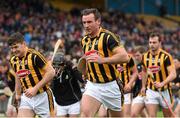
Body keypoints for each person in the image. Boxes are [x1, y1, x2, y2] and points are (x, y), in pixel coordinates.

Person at [79, 8, 129, 117]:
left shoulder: (108, 37)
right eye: (84, 22)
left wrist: (103, 60)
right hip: (93, 85)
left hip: (111, 86)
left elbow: (125, 57)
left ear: (98, 21)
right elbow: (89, 59)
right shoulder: (84, 40)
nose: (86, 25)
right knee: (85, 114)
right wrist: (86, 72)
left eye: (89, 22)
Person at [8, 32, 55, 117]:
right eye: (12, 48)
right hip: (26, 98)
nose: (14, 50)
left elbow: (51, 72)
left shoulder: (34, 56)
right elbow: (18, 76)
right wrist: (18, 93)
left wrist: (35, 88)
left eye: (16, 47)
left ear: (24, 44)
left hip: (43, 96)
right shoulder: (13, 60)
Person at [142, 32, 176, 117]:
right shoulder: (145, 56)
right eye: (150, 42)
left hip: (165, 90)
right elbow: (144, 72)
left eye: (154, 42)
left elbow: (173, 74)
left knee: (167, 116)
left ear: (160, 43)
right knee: (152, 116)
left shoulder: (166, 56)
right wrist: (143, 86)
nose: (151, 45)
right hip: (151, 90)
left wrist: (162, 83)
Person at [51, 52, 84, 117]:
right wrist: (53, 78)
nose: (58, 68)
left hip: (73, 102)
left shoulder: (70, 70)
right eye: (55, 65)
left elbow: (81, 79)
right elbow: (52, 89)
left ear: (64, 64)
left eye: (60, 65)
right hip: (60, 104)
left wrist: (73, 67)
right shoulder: (52, 73)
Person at [131, 46, 148, 117]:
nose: (136, 58)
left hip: (149, 92)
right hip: (139, 93)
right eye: (135, 56)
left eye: (138, 55)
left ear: (144, 54)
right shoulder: (137, 66)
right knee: (134, 114)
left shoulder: (149, 64)